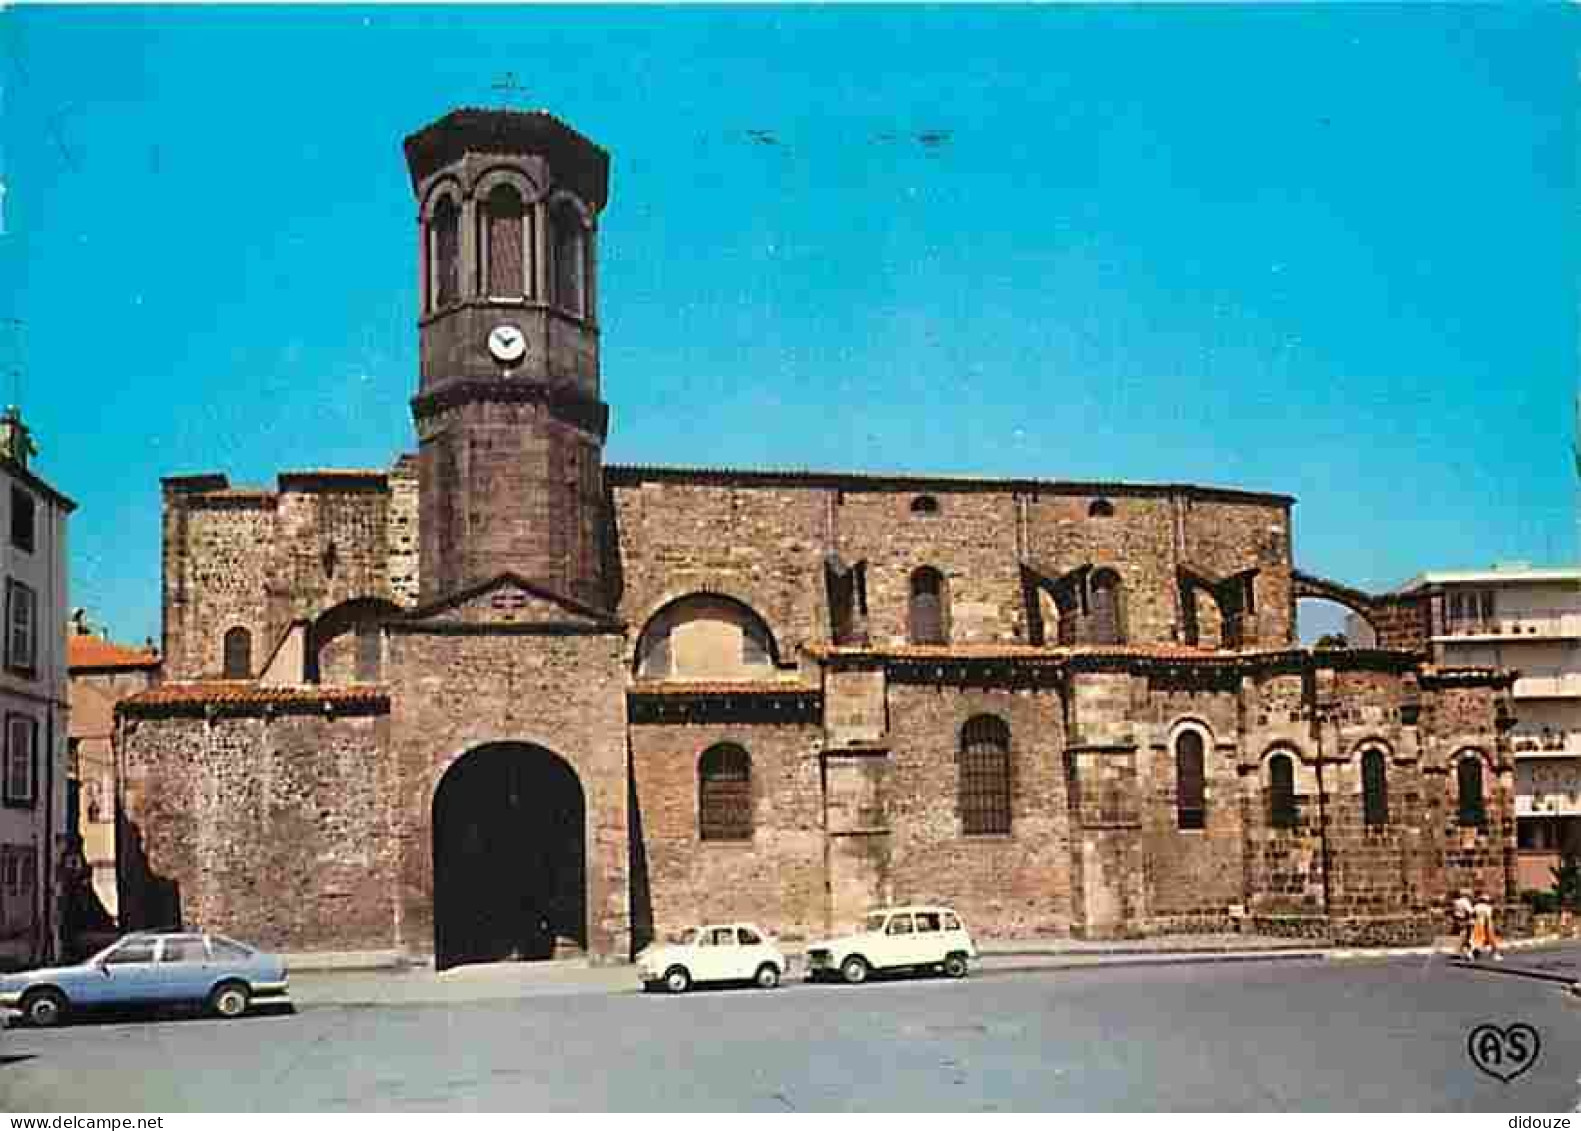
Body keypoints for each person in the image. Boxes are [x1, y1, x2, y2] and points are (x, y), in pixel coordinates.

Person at [1471, 891, 1503, 961]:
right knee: (1491, 940)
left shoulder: (1477, 906)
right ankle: (1495, 954)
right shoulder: (1488, 908)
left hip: (1478, 925)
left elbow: (1473, 915)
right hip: (1487, 925)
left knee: (1478, 941)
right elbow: (1488, 917)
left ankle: (1475, 954)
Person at [1452, 891, 1475, 959]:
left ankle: (1461, 952)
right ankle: (1469, 953)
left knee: (1462, 936)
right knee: (1469, 937)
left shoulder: (1455, 902)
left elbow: (1455, 913)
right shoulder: (1464, 901)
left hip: (1459, 921)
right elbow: (1470, 911)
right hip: (1466, 920)